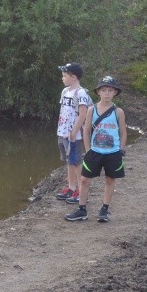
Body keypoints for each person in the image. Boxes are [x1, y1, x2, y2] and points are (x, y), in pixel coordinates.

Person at [65, 76, 127, 223]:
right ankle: (82, 209)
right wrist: (88, 150)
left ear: (115, 92)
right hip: (95, 152)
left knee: (110, 179)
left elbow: (123, 132)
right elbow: (86, 132)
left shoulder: (118, 112)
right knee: (84, 179)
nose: (107, 93)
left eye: (110, 90)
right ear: (98, 92)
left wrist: (121, 149)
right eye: (103, 90)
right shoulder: (91, 110)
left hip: (113, 152)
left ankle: (104, 209)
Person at [55, 62, 92, 204]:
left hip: (74, 135)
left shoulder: (81, 93)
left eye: (65, 76)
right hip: (63, 132)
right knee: (69, 161)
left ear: (74, 77)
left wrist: (74, 131)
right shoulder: (65, 92)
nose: (62, 78)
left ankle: (81, 191)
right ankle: (71, 188)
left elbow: (83, 114)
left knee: (76, 162)